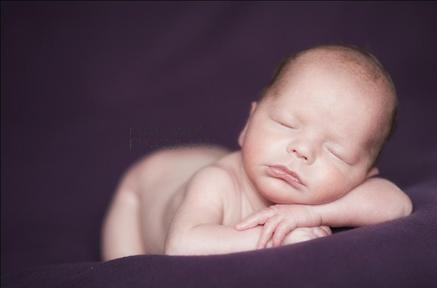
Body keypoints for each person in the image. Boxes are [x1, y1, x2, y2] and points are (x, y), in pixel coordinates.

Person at [101, 43, 413, 259]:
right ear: (248, 123)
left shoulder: (327, 197)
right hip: (144, 187)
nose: (302, 149)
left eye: (336, 152)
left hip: (215, 157)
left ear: (362, 177)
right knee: (127, 271)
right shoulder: (216, 183)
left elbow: (397, 205)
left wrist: (311, 214)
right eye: (286, 123)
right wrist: (277, 238)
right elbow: (182, 244)